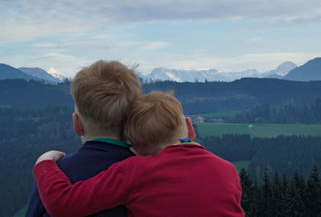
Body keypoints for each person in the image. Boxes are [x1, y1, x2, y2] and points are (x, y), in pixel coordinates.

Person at [33, 92, 245, 217]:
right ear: (190, 129)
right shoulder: (227, 170)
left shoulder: (135, 170)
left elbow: (63, 205)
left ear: (134, 150)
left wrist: (45, 164)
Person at [26, 60, 141, 217]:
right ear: (132, 121)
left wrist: (44, 164)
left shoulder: (52, 177)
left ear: (77, 124)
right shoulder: (149, 170)